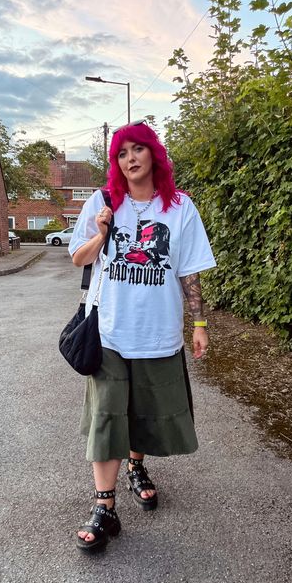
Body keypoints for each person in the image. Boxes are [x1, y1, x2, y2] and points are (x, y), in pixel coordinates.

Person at [68, 120, 216, 553]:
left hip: (158, 330)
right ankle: (104, 508)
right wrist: (101, 232)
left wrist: (200, 323)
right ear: (116, 162)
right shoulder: (101, 200)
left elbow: (188, 270)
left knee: (144, 411)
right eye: (121, 153)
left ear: (153, 154)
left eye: (138, 149)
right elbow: (77, 257)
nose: (130, 159)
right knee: (107, 416)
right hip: (109, 330)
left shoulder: (180, 206)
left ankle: (137, 467)